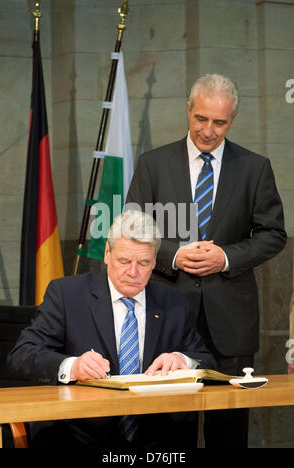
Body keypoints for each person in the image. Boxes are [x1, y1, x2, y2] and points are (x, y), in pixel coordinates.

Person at [126, 74, 287, 448]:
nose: (209, 131)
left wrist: (227, 257)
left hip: (230, 323)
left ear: (232, 120)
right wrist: (176, 255)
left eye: (220, 122)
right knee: (168, 433)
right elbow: (133, 228)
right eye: (201, 119)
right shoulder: (154, 164)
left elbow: (273, 234)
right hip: (166, 318)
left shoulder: (254, 167)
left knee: (228, 432)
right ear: (188, 109)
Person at [7, 210, 216, 451]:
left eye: (144, 263)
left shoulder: (174, 302)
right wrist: (72, 366)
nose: (133, 272)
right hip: (80, 435)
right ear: (107, 253)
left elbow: (206, 360)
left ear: (155, 262)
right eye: (124, 261)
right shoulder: (67, 294)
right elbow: (23, 354)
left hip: (155, 439)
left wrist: (182, 360)